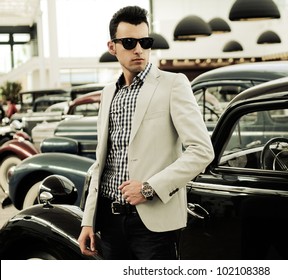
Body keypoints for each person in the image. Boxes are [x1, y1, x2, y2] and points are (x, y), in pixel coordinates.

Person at [77, 6, 214, 260]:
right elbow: (101, 162)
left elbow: (202, 151)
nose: (138, 49)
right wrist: (88, 220)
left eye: (145, 42)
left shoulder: (173, 84)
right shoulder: (108, 93)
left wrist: (150, 188)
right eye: (129, 42)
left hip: (153, 224)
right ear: (112, 47)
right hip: (108, 221)